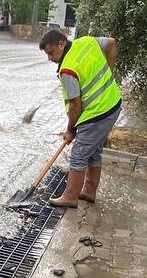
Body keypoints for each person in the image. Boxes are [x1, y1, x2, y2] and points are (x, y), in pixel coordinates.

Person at [37, 29, 122, 207]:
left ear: (61, 44)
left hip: (97, 113)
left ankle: (70, 196)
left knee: (78, 154)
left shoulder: (68, 69)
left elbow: (75, 105)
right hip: (112, 103)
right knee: (94, 151)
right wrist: (109, 72)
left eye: (51, 53)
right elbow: (112, 43)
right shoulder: (87, 42)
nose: (50, 58)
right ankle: (89, 192)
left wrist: (70, 130)